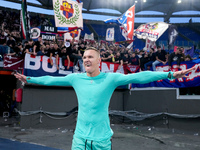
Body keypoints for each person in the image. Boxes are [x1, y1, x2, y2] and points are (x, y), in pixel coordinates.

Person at [14, 47, 195, 150]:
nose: (86, 59)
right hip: (79, 140)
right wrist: (29, 79)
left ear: (99, 60)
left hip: (101, 141)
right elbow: (51, 80)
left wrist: (171, 74)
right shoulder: (75, 78)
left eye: (90, 57)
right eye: (84, 57)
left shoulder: (111, 78)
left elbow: (141, 76)